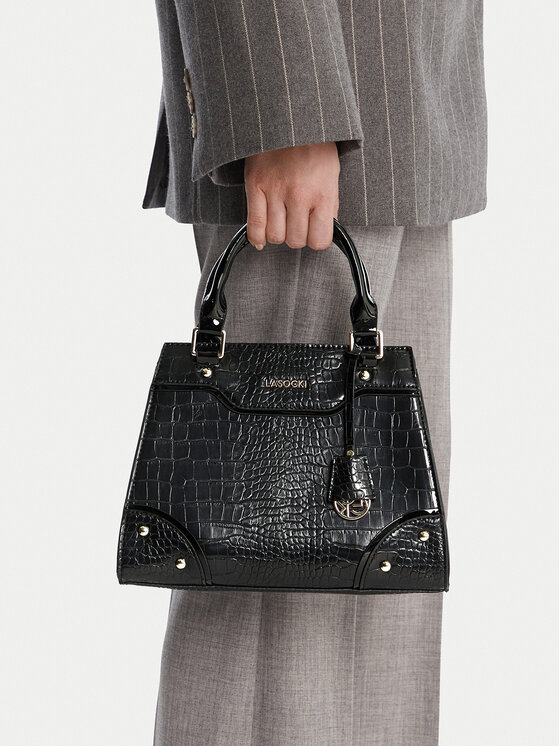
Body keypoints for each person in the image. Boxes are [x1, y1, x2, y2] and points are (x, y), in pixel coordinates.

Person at [141, 2, 487, 744]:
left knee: (379, 587)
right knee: (272, 592)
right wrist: (283, 104)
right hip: (319, 101)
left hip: (405, 103)